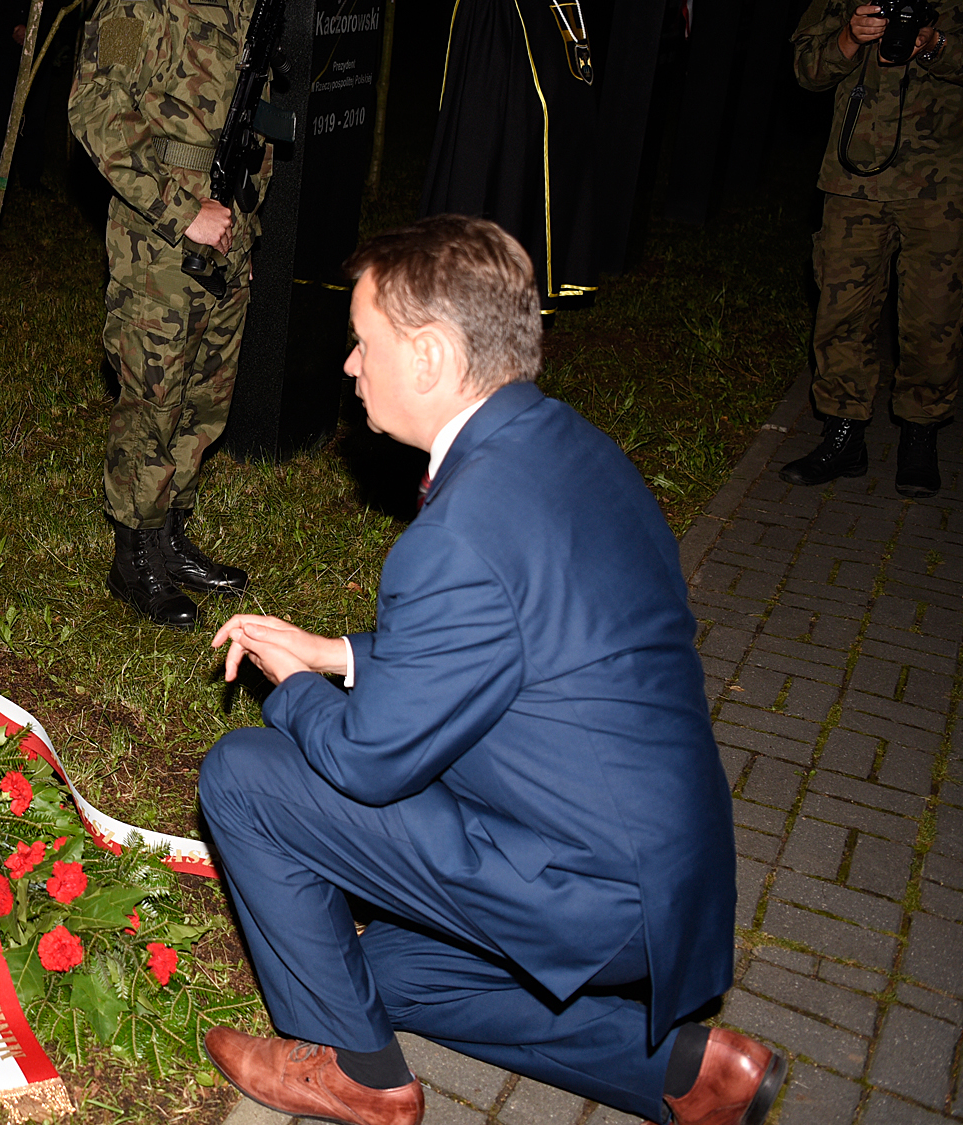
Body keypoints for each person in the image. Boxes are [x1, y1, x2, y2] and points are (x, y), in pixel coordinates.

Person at [197, 216, 782, 1125]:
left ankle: (356, 1074)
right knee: (386, 973)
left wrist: (296, 688)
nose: (350, 365)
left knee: (245, 775)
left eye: (364, 342)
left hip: (588, 886)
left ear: (430, 356)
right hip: (668, 871)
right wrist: (339, 654)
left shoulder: (459, 534)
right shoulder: (569, 448)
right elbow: (508, 640)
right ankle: (685, 1072)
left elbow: (368, 759)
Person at [68, 0, 270, 629]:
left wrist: (244, 232)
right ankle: (134, 559)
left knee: (205, 397)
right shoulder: (138, 4)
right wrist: (183, 211)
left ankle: (170, 537)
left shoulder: (245, 6)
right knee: (154, 399)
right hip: (157, 240)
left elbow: (250, 126)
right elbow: (94, 108)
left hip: (226, 231)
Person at [780, 0, 959, 496]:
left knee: (935, 319)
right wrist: (850, 37)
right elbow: (807, 70)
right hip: (852, 179)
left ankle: (920, 437)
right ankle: (843, 437)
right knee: (841, 313)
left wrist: (936, 45)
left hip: (942, 187)